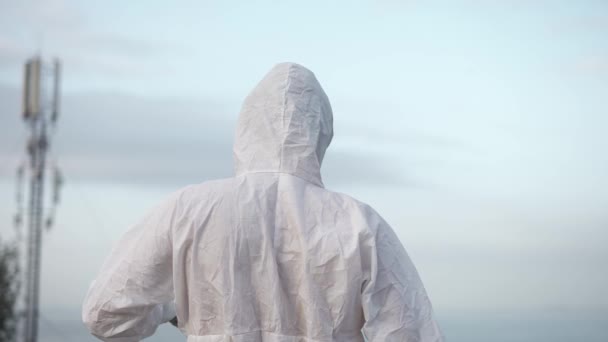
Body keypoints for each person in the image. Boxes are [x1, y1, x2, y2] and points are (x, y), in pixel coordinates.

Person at [82, 63, 444, 342]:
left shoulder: (188, 211)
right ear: (319, 133)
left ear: (247, 127)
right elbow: (411, 333)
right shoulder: (360, 224)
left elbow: (105, 313)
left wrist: (181, 307)